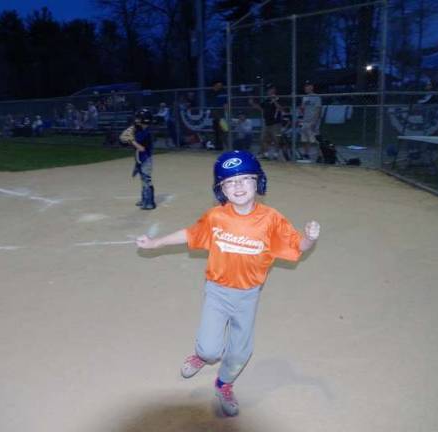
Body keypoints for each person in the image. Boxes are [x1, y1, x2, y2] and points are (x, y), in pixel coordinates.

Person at [136, 150, 321, 416]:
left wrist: (310, 238)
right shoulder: (216, 217)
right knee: (210, 348)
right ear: (221, 188)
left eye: (245, 179)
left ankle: (224, 384)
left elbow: (297, 246)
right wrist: (156, 242)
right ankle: (202, 356)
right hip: (218, 291)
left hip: (248, 294)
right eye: (230, 181)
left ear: (258, 182)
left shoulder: (271, 219)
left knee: (240, 352)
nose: (238, 186)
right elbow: (190, 234)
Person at [120, 109, 156, 210]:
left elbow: (141, 148)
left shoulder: (146, 133)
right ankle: (145, 199)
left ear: (145, 120)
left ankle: (150, 203)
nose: (136, 120)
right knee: (143, 181)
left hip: (145, 160)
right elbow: (125, 140)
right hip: (140, 159)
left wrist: (131, 140)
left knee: (146, 181)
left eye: (139, 119)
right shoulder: (140, 130)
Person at [249, 83, 285, 161]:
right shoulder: (266, 100)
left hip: (276, 123)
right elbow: (261, 108)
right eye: (268, 90)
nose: (269, 91)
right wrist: (252, 103)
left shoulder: (278, 98)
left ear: (274, 90)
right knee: (263, 139)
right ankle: (265, 154)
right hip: (267, 123)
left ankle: (276, 154)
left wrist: (274, 100)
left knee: (276, 139)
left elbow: (281, 109)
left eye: (271, 89)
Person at [299, 81, 322, 161]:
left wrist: (314, 122)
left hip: (313, 121)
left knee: (315, 139)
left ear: (312, 87)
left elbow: (318, 110)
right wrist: (301, 109)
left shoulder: (316, 97)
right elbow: (302, 110)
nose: (306, 87)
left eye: (308, 86)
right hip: (305, 120)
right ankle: (306, 154)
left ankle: (320, 155)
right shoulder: (304, 97)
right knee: (304, 139)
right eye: (305, 86)